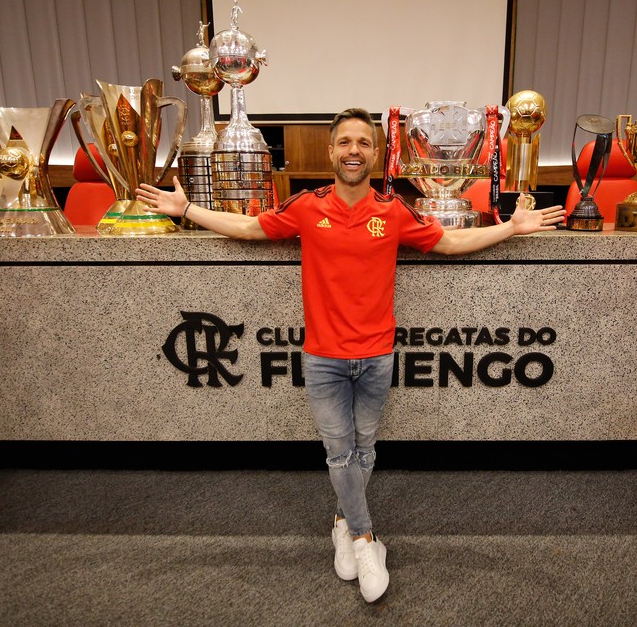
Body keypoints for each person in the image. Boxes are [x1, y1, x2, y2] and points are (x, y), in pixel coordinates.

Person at [135, 107, 565, 603]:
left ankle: (342, 522)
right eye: (345, 142)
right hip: (323, 359)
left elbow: (448, 241)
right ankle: (365, 540)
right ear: (331, 151)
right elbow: (252, 228)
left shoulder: (392, 210)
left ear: (375, 152)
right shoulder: (306, 206)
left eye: (363, 142)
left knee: (365, 450)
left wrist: (510, 227)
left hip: (377, 356)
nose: (354, 150)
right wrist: (186, 210)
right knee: (339, 452)